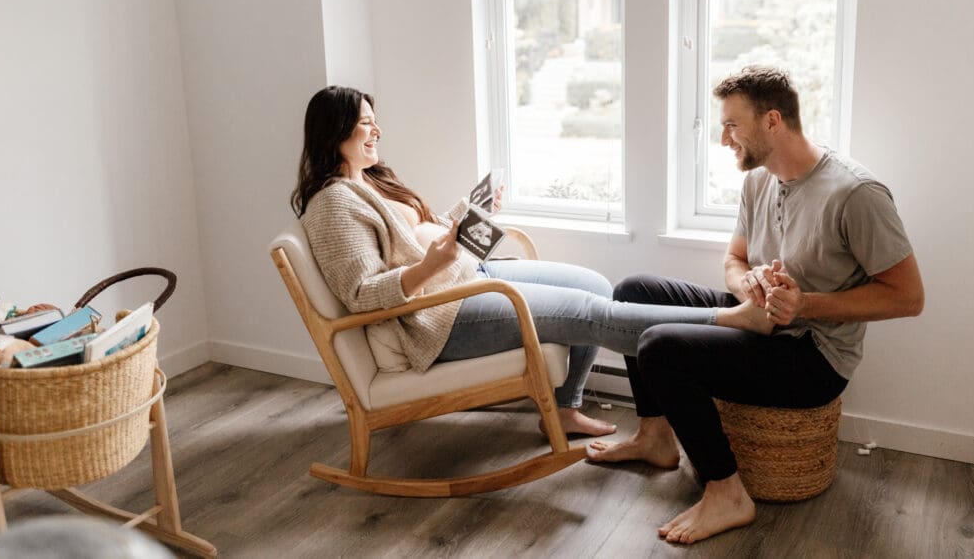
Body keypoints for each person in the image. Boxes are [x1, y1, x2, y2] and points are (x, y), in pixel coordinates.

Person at [291, 85, 775, 437]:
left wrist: (475, 210)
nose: (378, 130)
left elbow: (427, 231)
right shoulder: (332, 205)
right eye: (365, 122)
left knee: (595, 284)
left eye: (376, 119)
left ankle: (564, 409)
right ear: (333, 131)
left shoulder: (371, 179)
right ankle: (725, 319)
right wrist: (431, 267)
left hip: (465, 276)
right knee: (590, 315)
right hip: (435, 320)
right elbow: (361, 295)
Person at [588, 65, 925, 544]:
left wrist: (803, 304)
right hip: (757, 320)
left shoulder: (856, 194)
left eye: (732, 125)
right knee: (634, 292)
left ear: (771, 121)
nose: (725, 139)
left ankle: (726, 493)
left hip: (812, 355)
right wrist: (746, 284)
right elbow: (735, 257)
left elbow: (909, 297)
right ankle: (655, 437)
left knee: (659, 346)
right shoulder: (759, 179)